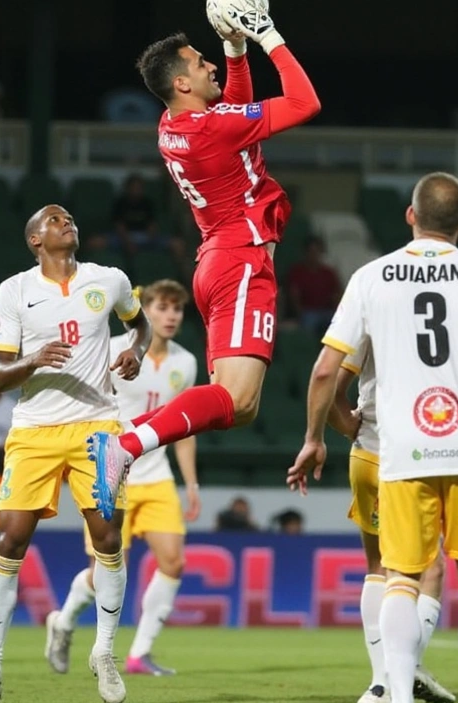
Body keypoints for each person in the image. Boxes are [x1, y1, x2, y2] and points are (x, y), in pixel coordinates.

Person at [288, 172, 458, 703]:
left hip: (399, 446)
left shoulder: (370, 277)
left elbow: (322, 372)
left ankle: (398, 702)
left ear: (410, 215)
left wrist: (315, 438)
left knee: (397, 575)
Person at [87, 6, 321, 518]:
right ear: (180, 81)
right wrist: (266, 35)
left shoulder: (176, 123)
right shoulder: (210, 130)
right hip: (240, 262)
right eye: (199, 62)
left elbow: (233, 111)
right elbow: (305, 102)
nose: (209, 65)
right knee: (232, 399)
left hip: (220, 260)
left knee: (242, 408)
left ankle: (131, 442)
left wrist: (235, 51)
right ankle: (126, 446)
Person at [0, 205, 151, 703]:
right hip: (34, 430)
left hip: (99, 428)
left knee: (109, 537)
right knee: (11, 538)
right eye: (53, 219)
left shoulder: (108, 279)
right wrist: (34, 358)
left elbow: (142, 324)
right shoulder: (15, 290)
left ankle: (105, 653)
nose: (65, 220)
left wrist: (135, 347)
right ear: (34, 240)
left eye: (68, 217)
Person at [48, 279, 200, 677]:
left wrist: (192, 483)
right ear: (142, 309)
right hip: (111, 475)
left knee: (173, 562)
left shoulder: (185, 363)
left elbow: (183, 427)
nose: (170, 316)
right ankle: (62, 623)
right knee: (105, 576)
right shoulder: (113, 349)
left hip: (158, 477)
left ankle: (139, 654)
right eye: (161, 307)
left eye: (176, 309)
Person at [327, 335, 456, 703]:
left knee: (379, 565)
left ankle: (379, 686)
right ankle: (401, 671)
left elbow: (329, 380)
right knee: (430, 566)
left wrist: (346, 429)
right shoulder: (435, 324)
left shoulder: (369, 318)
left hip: (367, 454)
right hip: (411, 458)